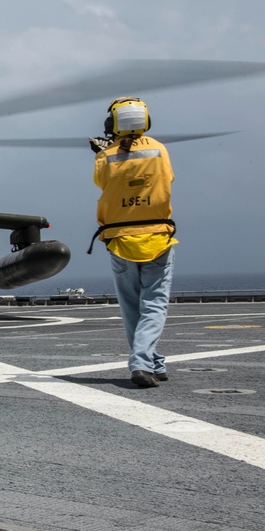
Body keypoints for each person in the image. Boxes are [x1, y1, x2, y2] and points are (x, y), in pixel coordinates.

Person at [89, 97, 177, 388]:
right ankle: (143, 362)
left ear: (113, 124)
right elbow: (168, 179)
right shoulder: (160, 150)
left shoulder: (106, 157)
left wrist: (103, 151)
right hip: (156, 238)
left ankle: (151, 362)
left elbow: (102, 182)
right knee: (154, 304)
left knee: (130, 306)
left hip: (120, 240)